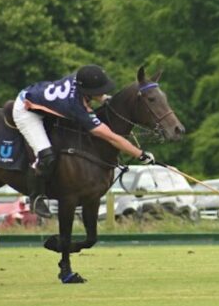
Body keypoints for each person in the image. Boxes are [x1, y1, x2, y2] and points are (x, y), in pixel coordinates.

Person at [13, 64, 154, 216]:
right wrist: (139, 154)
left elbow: (91, 94)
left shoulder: (81, 78)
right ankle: (35, 198)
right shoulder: (76, 106)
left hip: (42, 99)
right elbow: (111, 137)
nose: (102, 93)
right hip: (26, 110)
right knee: (46, 154)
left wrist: (104, 98)